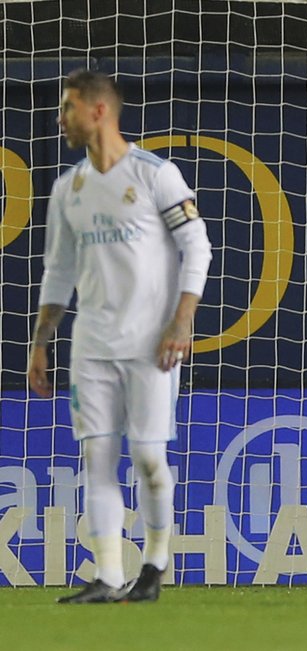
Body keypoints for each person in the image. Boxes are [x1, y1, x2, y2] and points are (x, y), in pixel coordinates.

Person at [28, 69, 212, 604]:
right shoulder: (69, 189)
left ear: (98, 111)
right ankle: (108, 574)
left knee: (149, 458)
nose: (61, 118)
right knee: (97, 457)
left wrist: (182, 321)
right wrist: (42, 339)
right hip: (91, 346)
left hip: (152, 344)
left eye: (68, 108)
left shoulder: (155, 174)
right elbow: (59, 271)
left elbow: (197, 246)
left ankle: (154, 564)